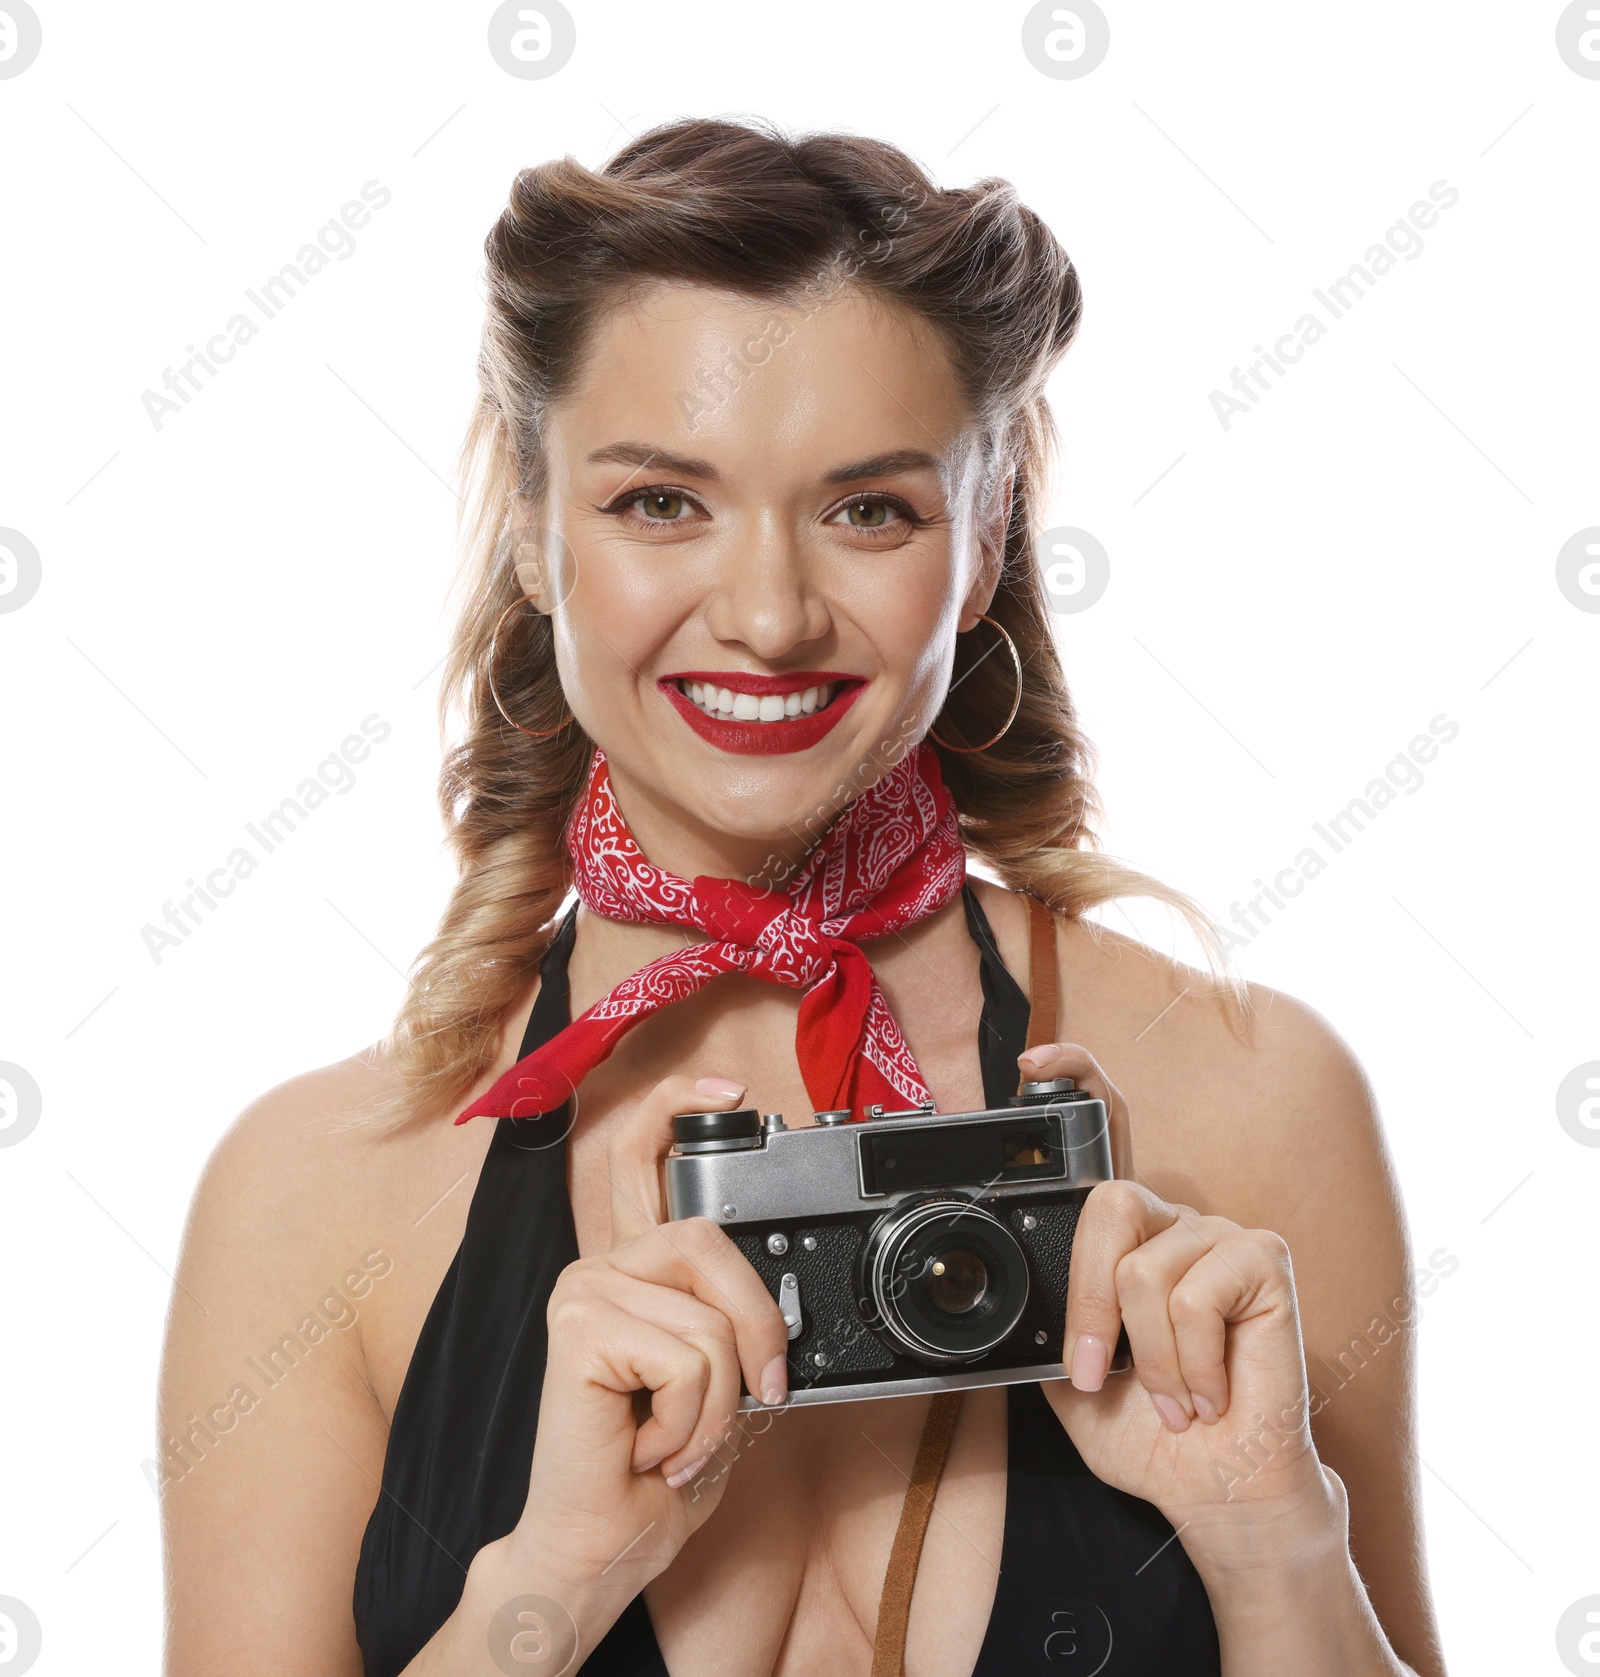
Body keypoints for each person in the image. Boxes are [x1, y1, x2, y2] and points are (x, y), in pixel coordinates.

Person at [158, 117, 1448, 1676]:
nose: (767, 617)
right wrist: (553, 1583)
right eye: (657, 502)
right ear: (530, 520)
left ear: (985, 538)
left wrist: (1272, 1547)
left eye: (870, 510)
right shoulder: (316, 1194)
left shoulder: (1251, 1098)